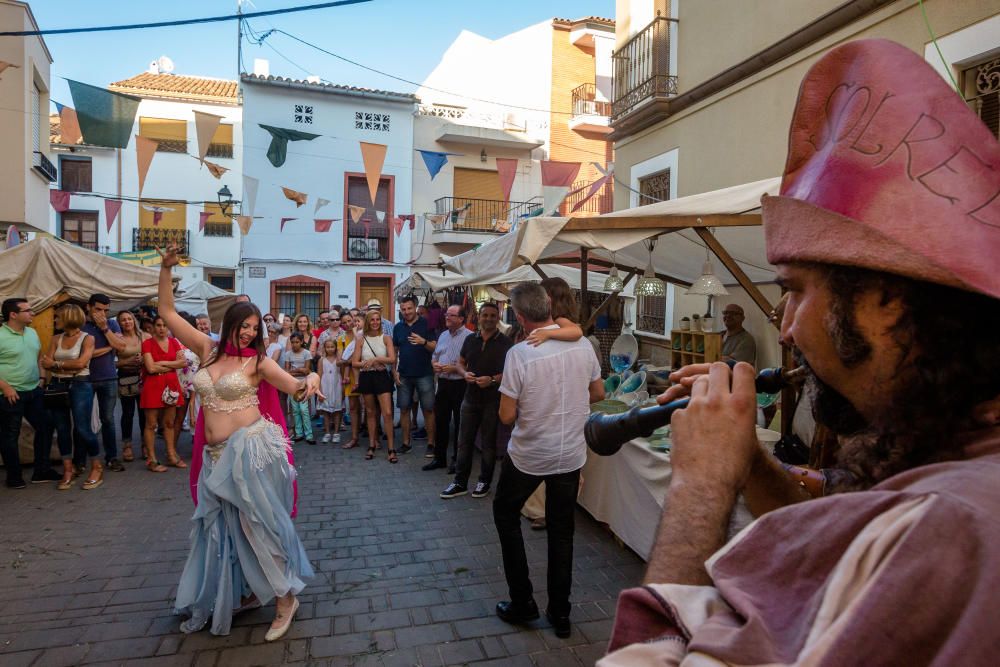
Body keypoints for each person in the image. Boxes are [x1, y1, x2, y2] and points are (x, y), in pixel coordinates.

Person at [599, 39, 1000, 665]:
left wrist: (700, 487)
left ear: (887, 297)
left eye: (795, 293)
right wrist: (748, 462)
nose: (783, 329)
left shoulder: (946, 527)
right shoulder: (949, 449)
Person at [156, 244, 318, 640]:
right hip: (214, 456)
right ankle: (247, 590)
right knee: (221, 530)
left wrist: (310, 381)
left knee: (257, 526)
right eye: (243, 326)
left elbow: (295, 387)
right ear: (229, 324)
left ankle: (285, 598)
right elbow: (167, 313)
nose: (248, 333)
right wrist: (164, 269)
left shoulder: (257, 363)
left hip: (247, 453)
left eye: (253, 329)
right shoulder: (207, 350)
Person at [492, 282, 603, 639]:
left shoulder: (520, 354)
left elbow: (506, 416)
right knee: (562, 531)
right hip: (570, 452)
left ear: (521, 318)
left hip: (530, 454)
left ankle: (523, 601)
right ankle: (561, 612)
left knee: (505, 513)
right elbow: (598, 392)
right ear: (549, 307)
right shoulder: (583, 344)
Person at [441, 302, 512, 499]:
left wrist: (492, 380)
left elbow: (512, 372)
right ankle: (459, 482)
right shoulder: (471, 339)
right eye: (485, 315)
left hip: (492, 399)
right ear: (478, 318)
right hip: (470, 398)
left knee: (489, 444)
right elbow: (461, 362)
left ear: (498, 318)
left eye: (492, 315)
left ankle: (484, 482)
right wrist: (464, 374)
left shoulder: (506, 343)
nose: (488, 318)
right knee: (464, 441)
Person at [0, 299, 59, 489]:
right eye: (28, 311)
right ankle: (14, 476)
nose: (32, 313)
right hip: (10, 394)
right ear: (13, 315)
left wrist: (42, 380)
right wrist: (5, 387)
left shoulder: (32, 333)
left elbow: (39, 358)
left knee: (46, 425)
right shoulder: (0, 335)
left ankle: (41, 470)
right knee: (10, 435)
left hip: (34, 391)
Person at [40, 304, 100, 490]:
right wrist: (65, 365)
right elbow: (45, 363)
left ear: (68, 318)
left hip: (80, 384)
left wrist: (56, 363)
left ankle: (96, 467)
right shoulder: (56, 338)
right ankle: (68, 469)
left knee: (83, 428)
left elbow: (82, 363)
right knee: (62, 429)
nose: (55, 320)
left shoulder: (87, 338)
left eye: (58, 317)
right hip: (58, 385)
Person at [81, 293, 128, 473]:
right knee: (82, 421)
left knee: (108, 420)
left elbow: (122, 347)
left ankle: (112, 457)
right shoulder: (81, 325)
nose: (102, 314)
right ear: (88, 307)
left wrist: (104, 328)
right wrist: (110, 347)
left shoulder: (111, 323)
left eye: (106, 311)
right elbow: (83, 355)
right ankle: (82, 460)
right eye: (98, 309)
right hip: (84, 378)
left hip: (108, 377)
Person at [424, 305, 471, 472]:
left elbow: (472, 364)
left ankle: (457, 460)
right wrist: (434, 365)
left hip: (460, 384)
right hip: (443, 384)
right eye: (446, 314)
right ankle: (439, 458)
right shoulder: (443, 335)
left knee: (460, 424)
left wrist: (455, 369)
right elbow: (434, 356)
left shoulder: (470, 337)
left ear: (461, 319)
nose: (447, 317)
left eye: (451, 315)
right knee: (441, 421)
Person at [140, 316, 187, 472]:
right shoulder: (147, 343)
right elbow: (150, 368)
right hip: (153, 385)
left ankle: (171, 454)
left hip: (171, 385)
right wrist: (172, 365)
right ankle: (152, 459)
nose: (162, 328)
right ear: (153, 327)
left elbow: (183, 363)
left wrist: (161, 363)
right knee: (151, 424)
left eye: (165, 325)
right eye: (158, 325)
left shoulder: (174, 342)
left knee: (169, 423)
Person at [392, 295, 437, 455]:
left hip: (424, 373)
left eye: (409, 308)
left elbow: (435, 348)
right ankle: (406, 443)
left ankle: (431, 443)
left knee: (428, 409)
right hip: (404, 374)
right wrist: (394, 371)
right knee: (404, 409)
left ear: (415, 308)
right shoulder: (398, 327)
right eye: (403, 309)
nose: (406, 312)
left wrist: (423, 342)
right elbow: (395, 352)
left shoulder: (426, 324)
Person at [352, 309, 397, 462]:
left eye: (378, 319)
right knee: (370, 412)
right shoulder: (361, 339)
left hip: (382, 377)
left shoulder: (386, 338)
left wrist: (377, 360)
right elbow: (354, 362)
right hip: (367, 377)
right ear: (368, 322)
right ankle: (371, 445)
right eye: (372, 320)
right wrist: (368, 363)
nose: (375, 322)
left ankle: (391, 448)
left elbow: (392, 359)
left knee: (388, 413)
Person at [115, 310, 149, 464]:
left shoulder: (145, 336)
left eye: (129, 319)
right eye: (123, 320)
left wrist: (145, 358)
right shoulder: (117, 339)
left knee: (144, 413)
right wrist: (127, 361)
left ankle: (145, 444)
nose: (127, 322)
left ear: (134, 320)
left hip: (144, 378)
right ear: (119, 323)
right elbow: (112, 363)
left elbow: (153, 355)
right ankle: (127, 445)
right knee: (127, 413)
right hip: (125, 377)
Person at [284, 333, 314, 444]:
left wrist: (295, 371)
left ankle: (309, 434)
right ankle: (299, 433)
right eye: (292, 342)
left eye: (297, 342)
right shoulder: (288, 354)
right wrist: (299, 370)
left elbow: (307, 370)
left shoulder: (306, 353)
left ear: (301, 342)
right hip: (292, 384)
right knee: (295, 410)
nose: (294, 344)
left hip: (304, 383)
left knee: (304, 409)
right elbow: (286, 372)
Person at [338, 312, 361, 450]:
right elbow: (341, 360)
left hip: (362, 373)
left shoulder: (362, 334)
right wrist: (349, 361)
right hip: (349, 376)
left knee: (368, 407)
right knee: (353, 407)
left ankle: (372, 437)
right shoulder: (341, 338)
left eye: (349, 321)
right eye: (344, 322)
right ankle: (354, 437)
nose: (347, 324)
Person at [317, 338, 344, 444]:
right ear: (325, 348)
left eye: (332, 347)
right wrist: (319, 391)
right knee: (326, 411)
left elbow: (341, 374)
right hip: (325, 387)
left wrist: (342, 390)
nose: (330, 349)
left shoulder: (339, 360)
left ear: (336, 347)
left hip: (336, 386)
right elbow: (319, 376)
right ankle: (327, 432)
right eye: (328, 347)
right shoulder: (321, 360)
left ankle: (336, 433)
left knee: (337, 410)